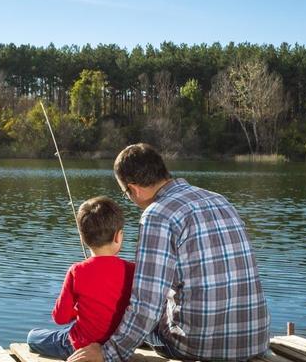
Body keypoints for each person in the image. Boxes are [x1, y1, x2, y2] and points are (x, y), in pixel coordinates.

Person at [68, 143, 270, 362]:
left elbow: (146, 305)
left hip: (198, 347)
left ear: (134, 189)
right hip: (254, 340)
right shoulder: (219, 199)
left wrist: (107, 354)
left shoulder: (157, 215)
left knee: (125, 313)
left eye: (127, 194)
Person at [28, 196, 136, 360]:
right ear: (118, 236)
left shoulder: (77, 271)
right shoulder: (132, 270)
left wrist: (77, 310)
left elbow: (60, 317)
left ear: (83, 237)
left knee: (33, 337)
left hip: (79, 347)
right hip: (116, 346)